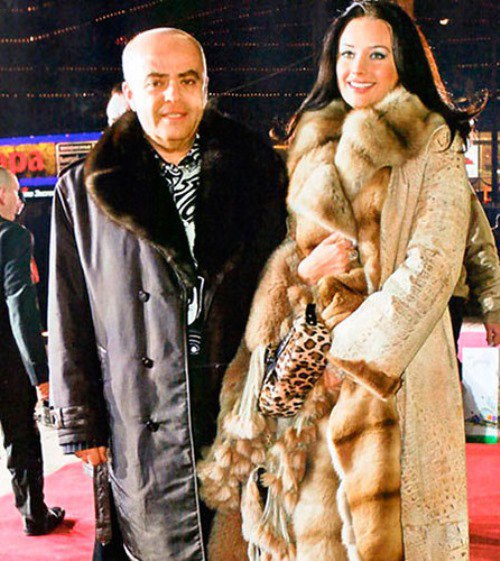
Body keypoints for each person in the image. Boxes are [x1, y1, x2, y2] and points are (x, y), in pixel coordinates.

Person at [199, 2, 480, 560]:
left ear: (403, 63)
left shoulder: (434, 144)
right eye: (348, 53)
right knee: (313, 536)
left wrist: (345, 355)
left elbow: (432, 266)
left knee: (388, 535)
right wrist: (302, 277)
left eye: (378, 54)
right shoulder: (311, 143)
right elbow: (293, 251)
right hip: (310, 387)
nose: (359, 68)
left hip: (390, 378)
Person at [48, 28, 287, 561]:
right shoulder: (83, 190)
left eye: (187, 80)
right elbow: (68, 313)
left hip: (239, 410)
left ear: (207, 88)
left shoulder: (259, 173)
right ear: (131, 94)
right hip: (139, 411)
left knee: (240, 543)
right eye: (156, 82)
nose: (173, 96)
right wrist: (80, 421)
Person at [0, 166, 65, 535]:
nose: (21, 201)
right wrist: (40, 372)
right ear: (1, 196)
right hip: (7, 363)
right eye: (17, 193)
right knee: (21, 436)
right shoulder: (13, 236)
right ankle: (33, 515)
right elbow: (20, 308)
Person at [449, 194, 500, 372]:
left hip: (446, 301)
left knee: (444, 372)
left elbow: (480, 251)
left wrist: (493, 310)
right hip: (385, 301)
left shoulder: (455, 185)